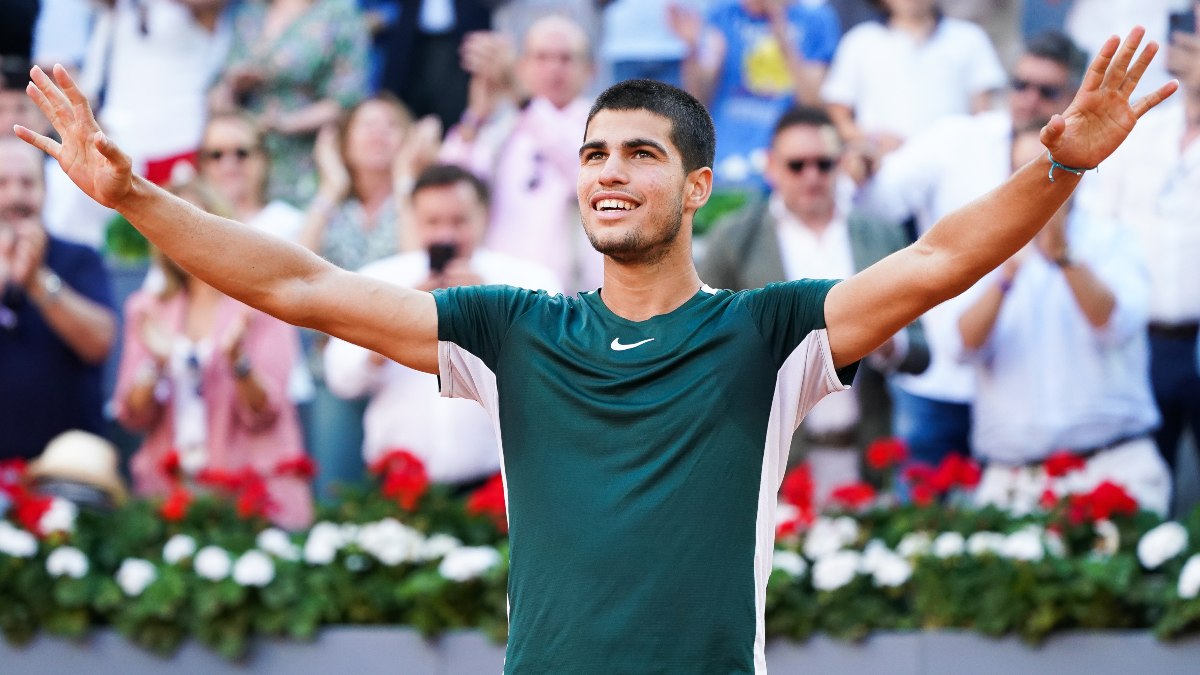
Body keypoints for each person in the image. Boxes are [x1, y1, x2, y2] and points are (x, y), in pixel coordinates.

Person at [19, 27, 1174, 670]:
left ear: (700, 185)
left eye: (638, 153)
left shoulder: (763, 332)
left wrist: (1056, 166)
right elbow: (306, 286)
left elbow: (933, 265)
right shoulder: (513, 329)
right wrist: (138, 201)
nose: (609, 172)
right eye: (593, 155)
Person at [853, 31, 1089, 469]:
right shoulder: (956, 137)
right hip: (942, 374)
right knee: (920, 526)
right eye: (1020, 85)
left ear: (1075, 94)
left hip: (1032, 390)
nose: (1028, 99)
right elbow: (878, 204)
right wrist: (863, 171)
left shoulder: (1092, 156)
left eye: (1046, 90)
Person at [699, 105, 929, 500]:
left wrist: (889, 343)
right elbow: (701, 349)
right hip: (773, 467)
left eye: (823, 164)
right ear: (771, 166)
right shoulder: (734, 240)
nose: (811, 176)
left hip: (867, 456)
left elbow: (923, 353)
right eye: (796, 165)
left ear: (840, 165)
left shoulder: (880, 236)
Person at [959, 129, 1166, 516]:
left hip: (1111, 469)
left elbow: (1114, 323)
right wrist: (1004, 277)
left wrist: (1064, 257)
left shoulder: (1113, 238)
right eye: (1024, 166)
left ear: (1076, 170)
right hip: (1012, 481)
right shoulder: (979, 244)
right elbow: (961, 345)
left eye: (1049, 164)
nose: (1037, 178)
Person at [324, 164, 560, 485]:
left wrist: (494, 309)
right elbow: (343, 379)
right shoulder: (380, 278)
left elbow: (553, 377)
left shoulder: (529, 281)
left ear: (484, 216)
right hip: (397, 480)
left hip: (498, 480)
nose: (446, 235)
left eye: (459, 220)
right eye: (433, 222)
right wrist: (401, 312)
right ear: (412, 221)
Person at [112, 179, 313, 529]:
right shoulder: (146, 309)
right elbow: (133, 415)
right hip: (170, 497)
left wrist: (240, 364)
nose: (183, 232)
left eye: (194, 219)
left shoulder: (262, 305)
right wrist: (155, 366)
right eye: (170, 220)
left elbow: (266, 412)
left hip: (251, 496)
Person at [1082, 6, 1200, 498]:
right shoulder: (1141, 127)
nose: (1185, 38)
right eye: (1187, 26)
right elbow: (1096, 225)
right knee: (1143, 496)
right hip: (1137, 343)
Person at [440, 15, 602, 291]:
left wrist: (519, 96)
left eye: (565, 58)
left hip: (569, 294)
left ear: (590, 70)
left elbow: (581, 169)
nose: (553, 68)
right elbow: (449, 189)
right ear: (522, 66)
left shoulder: (602, 124)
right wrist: (475, 116)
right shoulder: (502, 128)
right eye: (541, 57)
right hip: (500, 289)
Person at [0, 137, 116, 460]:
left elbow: (100, 344)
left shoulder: (81, 259)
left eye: (27, 183)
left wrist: (38, 281)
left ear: (45, 191)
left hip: (71, 472)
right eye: (2, 183)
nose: (15, 195)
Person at [210, 0, 369, 207]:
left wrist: (286, 123)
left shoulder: (338, 14)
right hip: (246, 152)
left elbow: (347, 100)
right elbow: (222, 80)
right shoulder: (250, 10)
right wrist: (235, 85)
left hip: (302, 158)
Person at [669, 0, 841, 187]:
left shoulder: (816, 19)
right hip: (723, 161)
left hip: (785, 164)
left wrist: (779, 25)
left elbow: (813, 103)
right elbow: (698, 99)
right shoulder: (724, 14)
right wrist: (693, 48)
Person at [822, 0, 1006, 159]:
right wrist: (872, 140)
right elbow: (839, 116)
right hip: (881, 168)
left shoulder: (970, 38)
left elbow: (983, 115)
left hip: (951, 169)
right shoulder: (859, 41)